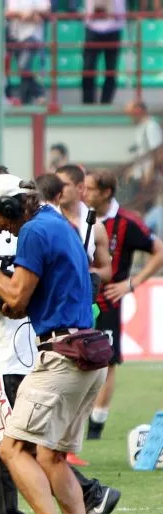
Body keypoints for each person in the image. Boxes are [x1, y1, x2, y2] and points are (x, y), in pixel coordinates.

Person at [0, 165, 121, 514]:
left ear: (10, 208)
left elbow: (13, 299)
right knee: (48, 455)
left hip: (59, 353)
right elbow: (18, 304)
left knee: (13, 448)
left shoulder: (32, 231)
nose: (0, 227)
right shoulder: (56, 222)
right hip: (82, 351)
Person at [83, 169, 163, 440]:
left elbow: (159, 251)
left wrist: (132, 283)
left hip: (107, 301)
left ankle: (96, 426)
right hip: (76, 300)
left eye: (91, 189)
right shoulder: (78, 218)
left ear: (106, 193)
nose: (85, 193)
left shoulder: (127, 222)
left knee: (106, 363)